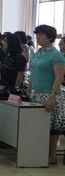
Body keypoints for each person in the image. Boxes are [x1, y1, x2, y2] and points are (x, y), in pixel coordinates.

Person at [28, 25, 65, 165]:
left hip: (49, 94)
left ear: (50, 37)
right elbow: (32, 72)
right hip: (36, 94)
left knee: (52, 128)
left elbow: (59, 78)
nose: (37, 38)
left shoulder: (56, 55)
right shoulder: (38, 52)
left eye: (40, 35)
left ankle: (52, 155)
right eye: (36, 35)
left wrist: (52, 95)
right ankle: (39, 152)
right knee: (39, 126)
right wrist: (29, 88)